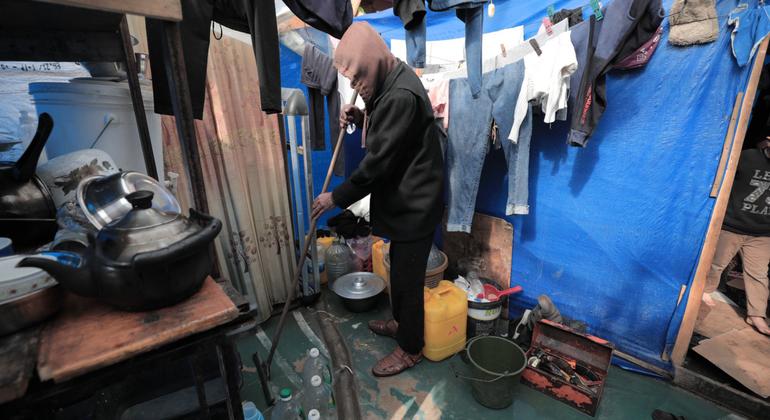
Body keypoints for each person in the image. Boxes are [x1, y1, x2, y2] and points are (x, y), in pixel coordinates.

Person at [311, 22, 444, 376]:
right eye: (352, 81)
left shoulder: (401, 95)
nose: (356, 86)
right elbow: (386, 122)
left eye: (358, 78)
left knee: (408, 281)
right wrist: (360, 115)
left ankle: (411, 349)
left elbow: (377, 164)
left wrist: (336, 198)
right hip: (405, 198)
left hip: (416, 203)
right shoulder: (390, 77)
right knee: (399, 271)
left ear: (372, 60)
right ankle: (402, 324)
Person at [703, 138, 770, 336]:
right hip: (732, 226)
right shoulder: (747, 157)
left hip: (763, 233)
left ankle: (756, 315)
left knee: (758, 274)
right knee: (716, 264)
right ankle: (704, 293)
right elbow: (720, 180)